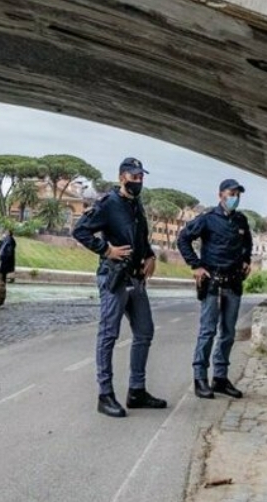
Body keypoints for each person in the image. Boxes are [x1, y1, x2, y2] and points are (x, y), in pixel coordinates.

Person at [72, 157, 166, 417]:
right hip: (114, 279)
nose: (138, 181)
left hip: (136, 279)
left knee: (145, 331)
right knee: (109, 335)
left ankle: (136, 391)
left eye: (141, 177)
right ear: (122, 177)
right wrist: (106, 249)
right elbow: (80, 231)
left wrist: (150, 256)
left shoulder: (136, 205)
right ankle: (105, 395)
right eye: (134, 177)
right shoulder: (108, 204)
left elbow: (141, 237)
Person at [177, 179, 253, 399]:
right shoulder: (208, 219)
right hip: (212, 283)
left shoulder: (241, 220)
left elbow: (248, 242)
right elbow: (183, 239)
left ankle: (220, 378)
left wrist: (246, 259)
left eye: (238, 194)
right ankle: (200, 378)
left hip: (233, 283)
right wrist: (195, 265)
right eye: (231, 193)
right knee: (208, 331)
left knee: (228, 333)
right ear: (220, 195)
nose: (235, 198)